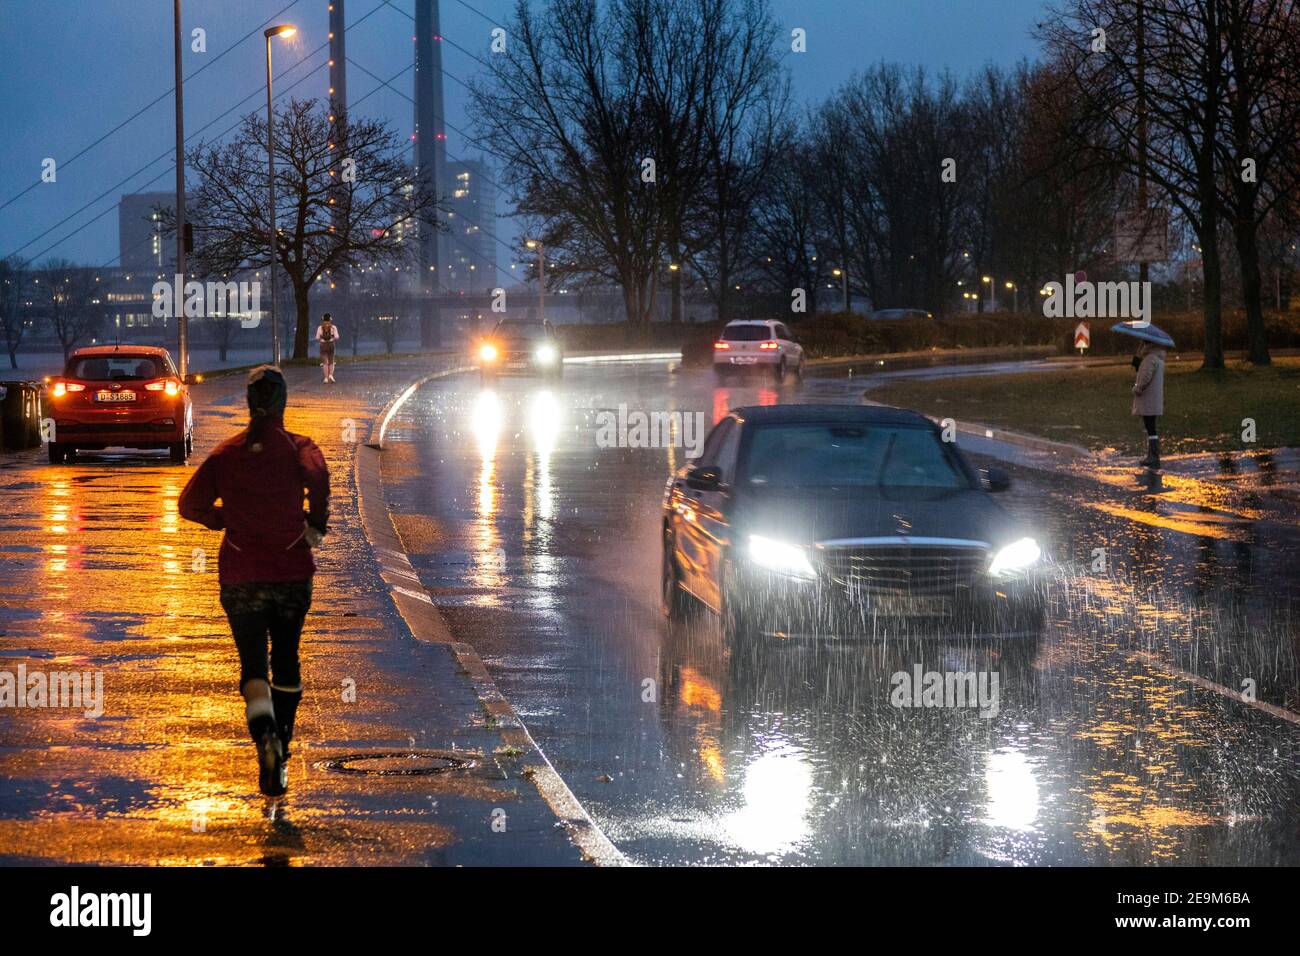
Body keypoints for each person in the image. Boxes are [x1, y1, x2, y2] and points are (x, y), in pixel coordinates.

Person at [178, 366, 329, 797]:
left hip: (241, 575)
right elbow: (318, 479)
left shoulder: (226, 455)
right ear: (283, 401)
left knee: (252, 666)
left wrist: (224, 517)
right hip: (290, 571)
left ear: (248, 403)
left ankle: (262, 732)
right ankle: (282, 743)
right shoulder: (301, 448)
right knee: (286, 658)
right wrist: (314, 524)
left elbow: (188, 504)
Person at [1131, 340, 1167, 468]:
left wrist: (1137, 388)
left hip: (1148, 397)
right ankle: (1153, 455)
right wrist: (1139, 365)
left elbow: (1145, 377)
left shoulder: (1150, 359)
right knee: (1151, 426)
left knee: (1150, 426)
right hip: (1153, 398)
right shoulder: (1157, 358)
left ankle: (1153, 456)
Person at [316, 313, 339, 383]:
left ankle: (326, 378)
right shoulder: (333, 327)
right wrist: (332, 339)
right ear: (330, 319)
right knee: (331, 361)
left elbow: (317, 337)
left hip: (323, 345)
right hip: (331, 345)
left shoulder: (320, 328)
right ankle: (331, 375)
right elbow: (337, 337)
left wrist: (321, 340)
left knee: (325, 362)